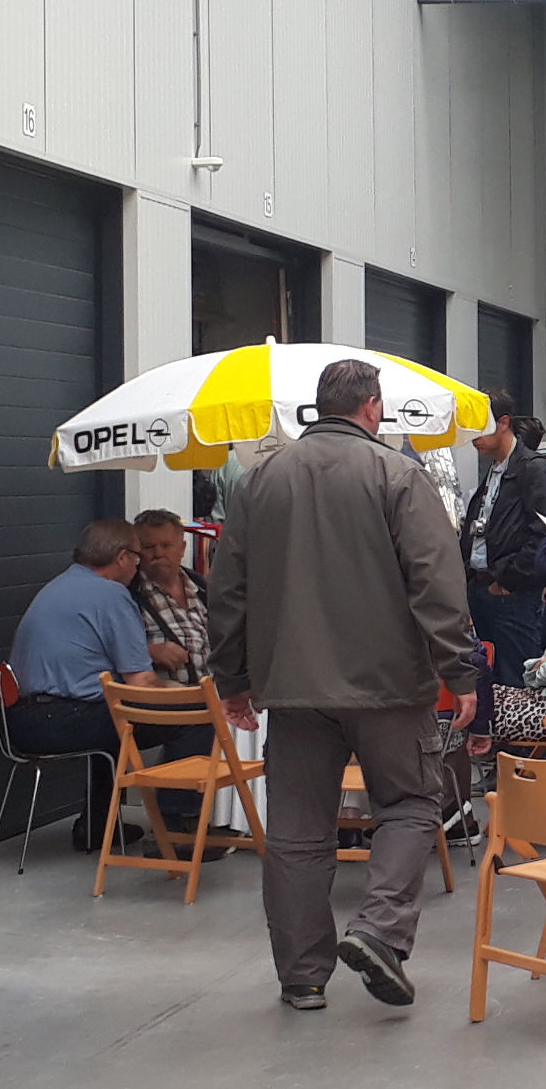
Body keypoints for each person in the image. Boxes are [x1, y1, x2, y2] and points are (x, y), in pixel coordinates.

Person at [207, 359, 475, 1012]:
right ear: (373, 406)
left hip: (292, 686)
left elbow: (228, 589)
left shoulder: (261, 480)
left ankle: (302, 976)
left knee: (297, 830)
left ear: (318, 407)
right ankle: (380, 929)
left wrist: (233, 678)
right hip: (390, 684)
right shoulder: (397, 475)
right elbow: (435, 580)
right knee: (411, 803)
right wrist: (459, 669)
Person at [9, 519, 200, 850]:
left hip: (22, 720)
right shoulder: (112, 594)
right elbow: (141, 682)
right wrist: (196, 698)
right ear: (123, 557)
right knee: (192, 719)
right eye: (138, 557)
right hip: (61, 720)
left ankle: (98, 826)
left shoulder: (61, 584)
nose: (139, 566)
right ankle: (177, 829)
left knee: (110, 715)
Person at [460, 398, 546, 691]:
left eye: (481, 428)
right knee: (488, 677)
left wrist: (509, 578)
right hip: (482, 586)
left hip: (511, 593)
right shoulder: (495, 471)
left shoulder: (533, 469)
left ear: (504, 422)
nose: (474, 437)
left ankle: (519, 725)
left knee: (516, 678)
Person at [128, 509, 209, 684]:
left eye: (165, 546)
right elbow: (106, 649)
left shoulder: (203, 588)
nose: (158, 553)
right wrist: (148, 651)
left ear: (182, 549)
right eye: (149, 547)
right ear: (138, 551)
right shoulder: (128, 594)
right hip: (164, 695)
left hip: (218, 692)